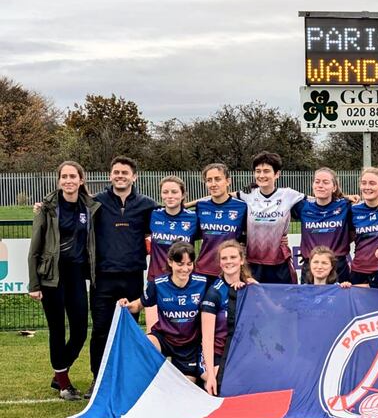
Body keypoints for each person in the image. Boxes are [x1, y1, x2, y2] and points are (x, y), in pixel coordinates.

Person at [87, 155, 158, 398]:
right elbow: (67, 205)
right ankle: (98, 380)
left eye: (124, 172)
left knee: (128, 331)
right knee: (100, 330)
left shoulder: (147, 205)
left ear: (134, 176)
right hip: (103, 278)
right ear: (110, 175)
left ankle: (126, 377)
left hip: (132, 278)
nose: (120, 176)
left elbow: (173, 215)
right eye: (116, 172)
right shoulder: (96, 202)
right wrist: (43, 207)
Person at [28, 161, 100, 400]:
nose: (68, 180)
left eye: (73, 176)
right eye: (64, 176)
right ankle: (63, 385)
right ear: (59, 180)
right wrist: (34, 284)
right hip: (51, 278)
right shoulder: (47, 208)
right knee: (57, 330)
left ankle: (59, 373)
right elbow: (34, 249)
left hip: (77, 276)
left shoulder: (89, 207)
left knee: (80, 331)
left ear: (81, 180)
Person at [119, 241, 207, 382]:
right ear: (170, 262)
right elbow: (138, 305)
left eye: (189, 264)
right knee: (145, 344)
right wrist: (126, 305)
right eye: (180, 264)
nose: (185, 269)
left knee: (185, 388)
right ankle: (146, 381)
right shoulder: (158, 284)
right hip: (164, 338)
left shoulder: (202, 283)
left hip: (189, 346)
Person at [236, 152, 305, 284]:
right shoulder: (247, 194)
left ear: (277, 174)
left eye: (266, 171)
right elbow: (221, 196)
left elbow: (319, 198)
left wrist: (345, 197)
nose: (261, 175)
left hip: (279, 262)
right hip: (253, 262)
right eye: (258, 171)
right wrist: (185, 204)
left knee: (283, 301)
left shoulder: (288, 194)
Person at [200, 240, 255, 395]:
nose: (228, 262)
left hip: (242, 352)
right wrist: (210, 375)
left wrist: (257, 287)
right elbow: (208, 339)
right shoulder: (214, 293)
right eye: (224, 258)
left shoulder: (250, 287)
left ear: (241, 260)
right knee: (227, 386)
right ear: (219, 262)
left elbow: (274, 313)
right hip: (218, 354)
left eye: (233, 257)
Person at [296, 168, 352, 283]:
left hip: (338, 267)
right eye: (317, 182)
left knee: (337, 301)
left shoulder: (345, 205)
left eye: (325, 182)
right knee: (308, 301)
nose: (320, 185)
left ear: (334, 187)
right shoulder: (301, 207)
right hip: (311, 268)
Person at [195, 163, 248, 282]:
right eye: (209, 180)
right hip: (203, 270)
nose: (213, 184)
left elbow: (250, 236)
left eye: (218, 179)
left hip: (231, 270)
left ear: (228, 181)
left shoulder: (242, 207)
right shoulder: (201, 206)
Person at [147, 176, 199, 281]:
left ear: (183, 194)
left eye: (174, 192)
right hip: (156, 278)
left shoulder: (193, 217)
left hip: (183, 279)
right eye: (165, 192)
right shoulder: (153, 214)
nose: (169, 196)